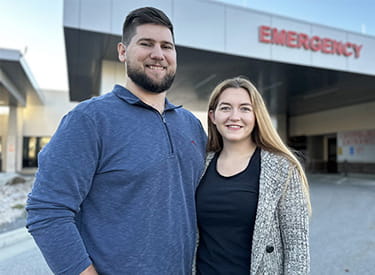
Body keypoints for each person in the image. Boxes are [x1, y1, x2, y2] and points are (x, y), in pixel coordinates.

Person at [26, 7, 207, 275]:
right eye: (146, 44)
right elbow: (47, 210)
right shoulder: (89, 120)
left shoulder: (191, 125)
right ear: (122, 51)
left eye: (166, 46)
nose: (158, 54)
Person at [195, 77, 311, 274]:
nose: (234, 116)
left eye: (245, 108)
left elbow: (297, 249)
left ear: (256, 116)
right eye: (225, 108)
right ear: (213, 116)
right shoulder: (199, 163)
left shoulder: (283, 168)